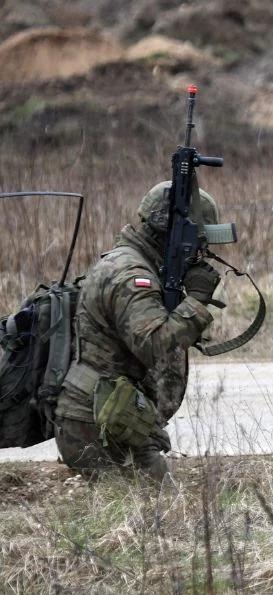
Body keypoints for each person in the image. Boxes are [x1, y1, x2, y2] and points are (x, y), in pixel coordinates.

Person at [53, 181, 223, 483]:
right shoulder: (132, 276)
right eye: (196, 243)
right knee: (162, 516)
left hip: (112, 418)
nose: (201, 253)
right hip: (97, 425)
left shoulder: (139, 265)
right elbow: (154, 344)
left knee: (158, 510)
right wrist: (196, 302)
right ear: (169, 236)